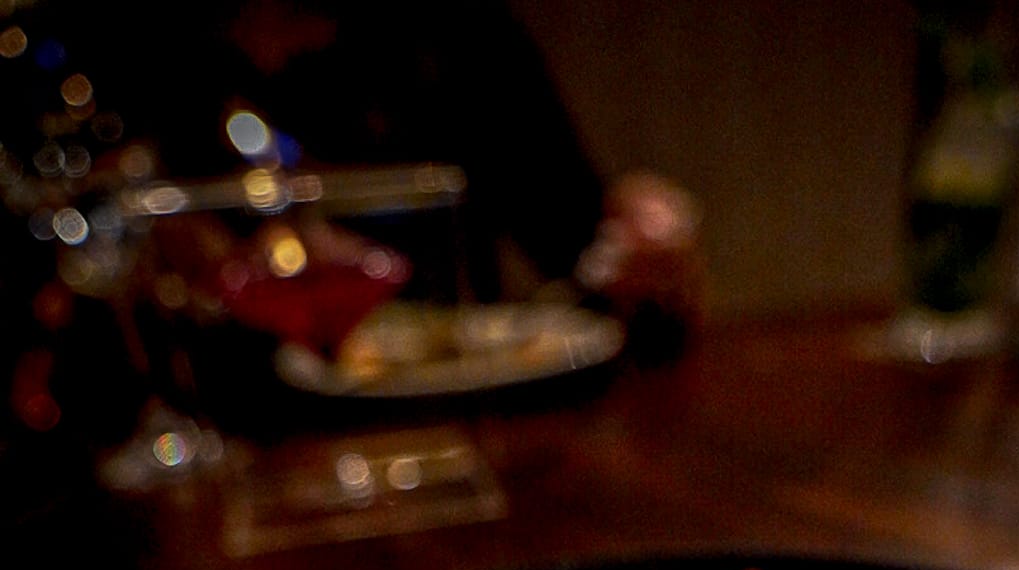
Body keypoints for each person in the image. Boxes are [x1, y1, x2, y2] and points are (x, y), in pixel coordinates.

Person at [100, 0, 705, 356]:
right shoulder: (158, 52)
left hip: (463, 415)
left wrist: (643, 250)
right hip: (251, 425)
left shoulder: (456, 31)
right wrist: (211, 259)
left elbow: (576, 242)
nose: (274, 55)